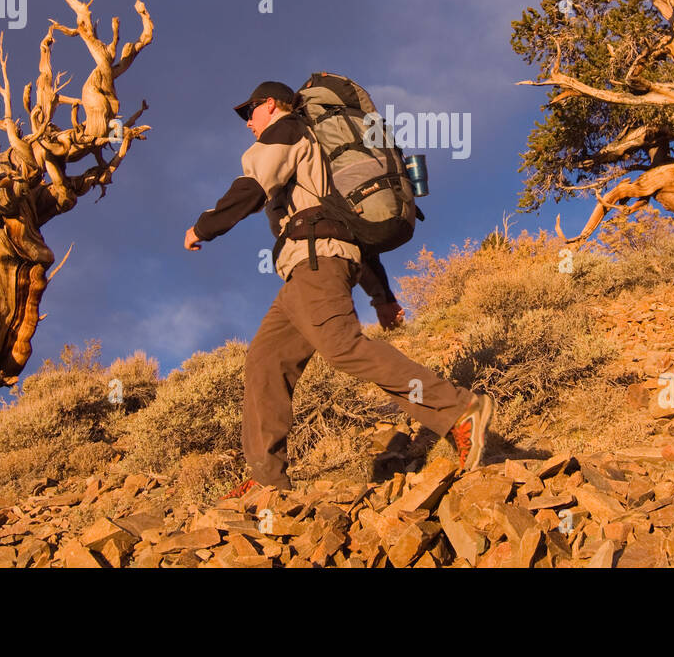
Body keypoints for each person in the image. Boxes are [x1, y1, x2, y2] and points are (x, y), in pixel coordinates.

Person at [184, 80, 494, 499]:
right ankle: (267, 478)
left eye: (250, 112)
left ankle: (457, 409)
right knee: (265, 360)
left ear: (271, 105)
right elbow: (349, 227)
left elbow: (253, 186)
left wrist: (204, 226)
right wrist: (381, 297)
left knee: (342, 347)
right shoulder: (318, 158)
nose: (248, 123)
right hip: (305, 270)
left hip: (316, 264)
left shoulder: (286, 130)